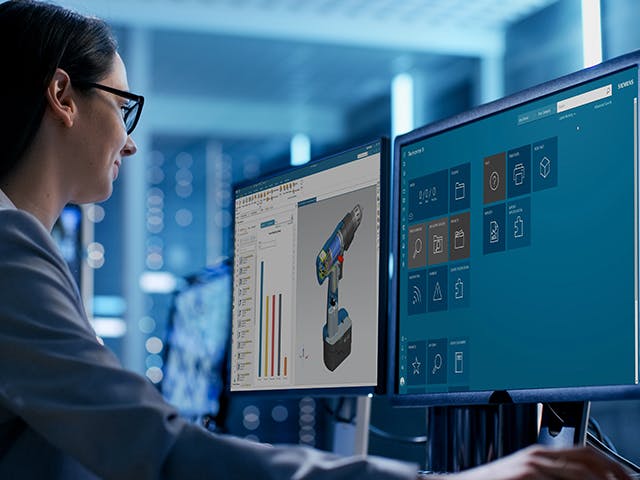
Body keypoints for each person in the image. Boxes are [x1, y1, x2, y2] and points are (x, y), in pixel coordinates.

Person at [0, 1, 632, 479]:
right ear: (63, 95)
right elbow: (154, 446)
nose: (130, 140)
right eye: (124, 106)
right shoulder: (8, 251)